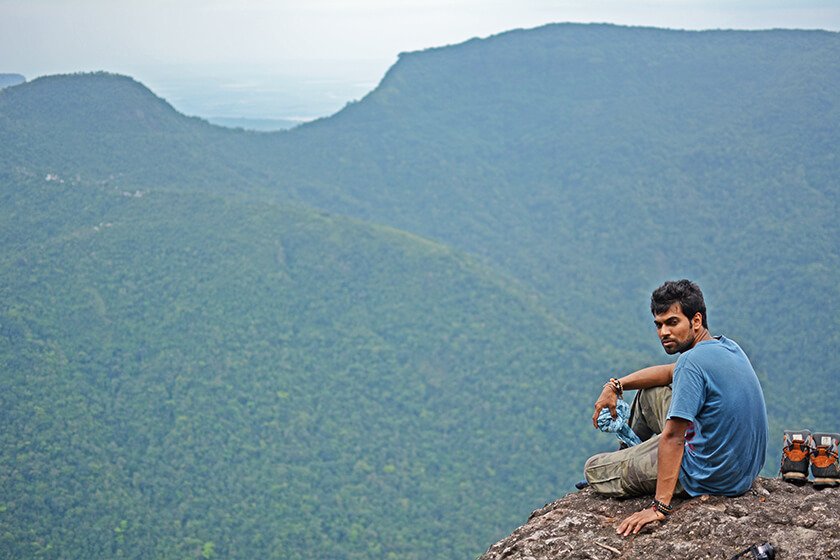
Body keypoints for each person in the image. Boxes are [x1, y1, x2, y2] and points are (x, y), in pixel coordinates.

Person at [584, 279, 768, 536]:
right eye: (658, 325)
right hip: (740, 469)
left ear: (696, 320)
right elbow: (667, 373)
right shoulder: (728, 347)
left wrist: (659, 507)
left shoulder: (691, 363)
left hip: (709, 473)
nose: (663, 332)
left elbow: (673, 438)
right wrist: (616, 385)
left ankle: (629, 465)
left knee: (594, 469)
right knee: (650, 392)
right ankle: (632, 455)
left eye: (672, 322)